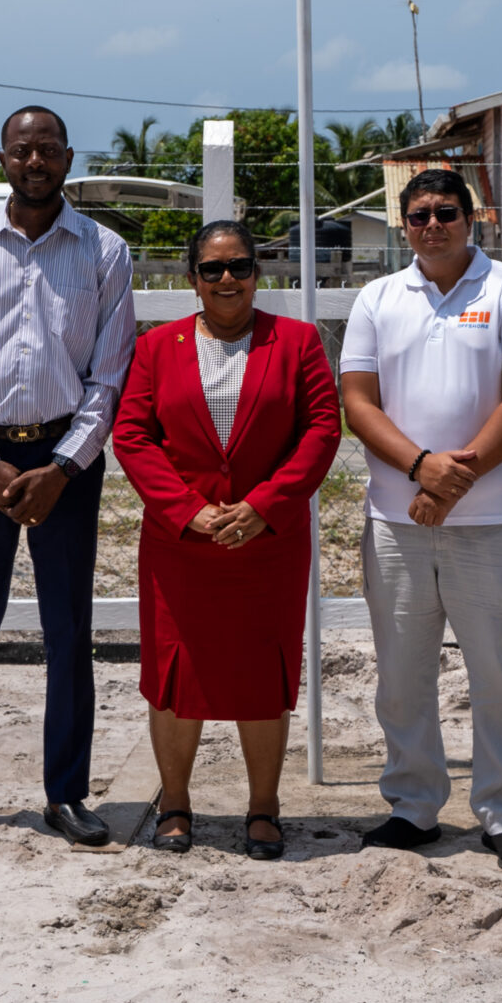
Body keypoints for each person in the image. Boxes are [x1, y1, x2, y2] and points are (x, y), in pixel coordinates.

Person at [0, 106, 134, 850]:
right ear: (3, 157)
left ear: (69, 157)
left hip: (65, 462)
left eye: (47, 148)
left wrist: (63, 466)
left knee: (68, 632)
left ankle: (66, 793)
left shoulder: (105, 252)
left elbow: (108, 378)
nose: (35, 160)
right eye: (22, 148)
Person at [339, 167, 502, 872]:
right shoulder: (377, 297)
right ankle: (413, 804)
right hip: (397, 519)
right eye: (420, 214)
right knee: (402, 675)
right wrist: (420, 470)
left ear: (474, 218)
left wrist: (451, 484)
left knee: (499, 676)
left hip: (493, 522)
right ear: (403, 223)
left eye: (447, 212)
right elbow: (359, 402)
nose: (433, 224)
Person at [109, 220, 341, 860]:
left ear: (257, 273)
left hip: (267, 543)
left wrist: (264, 506)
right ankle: (176, 802)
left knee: (262, 672)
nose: (227, 279)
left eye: (239, 266)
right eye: (212, 269)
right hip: (181, 545)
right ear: (192, 279)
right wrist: (188, 510)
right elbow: (132, 435)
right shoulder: (157, 347)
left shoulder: (295, 342)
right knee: (175, 672)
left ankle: (263, 808)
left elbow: (321, 429)